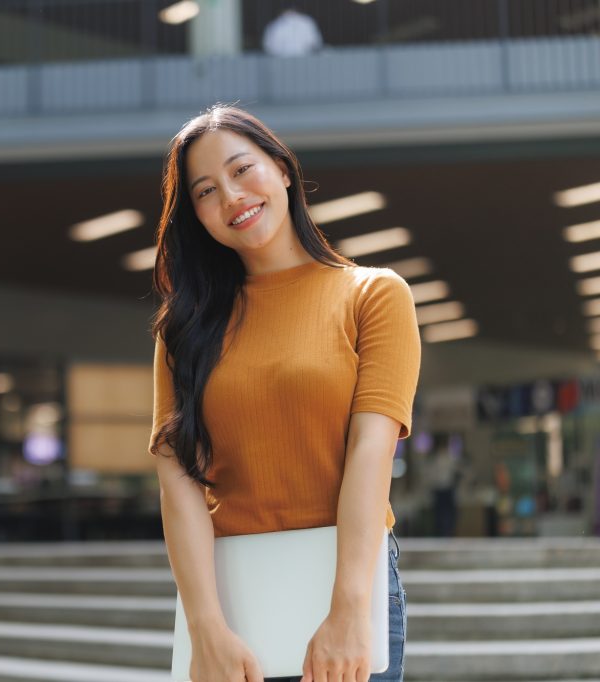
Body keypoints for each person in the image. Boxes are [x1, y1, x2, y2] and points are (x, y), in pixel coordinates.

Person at [148, 104, 420, 682]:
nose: (231, 197)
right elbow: (178, 483)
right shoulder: (186, 329)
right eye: (205, 191)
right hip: (233, 603)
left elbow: (370, 457)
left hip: (348, 585)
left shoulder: (373, 296)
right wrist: (206, 628)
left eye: (243, 169)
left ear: (283, 169)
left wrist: (348, 608)